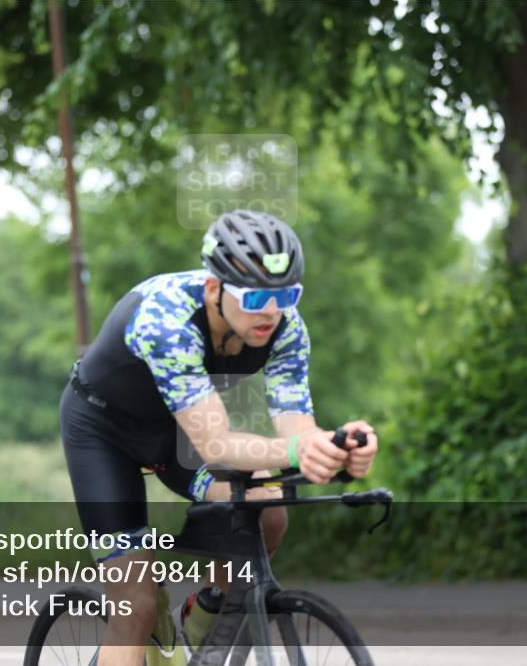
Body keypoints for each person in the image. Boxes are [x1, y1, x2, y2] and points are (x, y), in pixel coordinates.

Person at [59, 209, 379, 665]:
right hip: (100, 432)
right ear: (215, 289)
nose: (271, 311)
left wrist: (334, 449)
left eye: (286, 295)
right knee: (137, 607)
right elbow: (215, 444)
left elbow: (297, 431)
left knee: (266, 503)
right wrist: (299, 449)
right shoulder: (166, 320)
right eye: (253, 299)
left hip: (173, 429)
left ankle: (207, 614)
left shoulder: (287, 327)